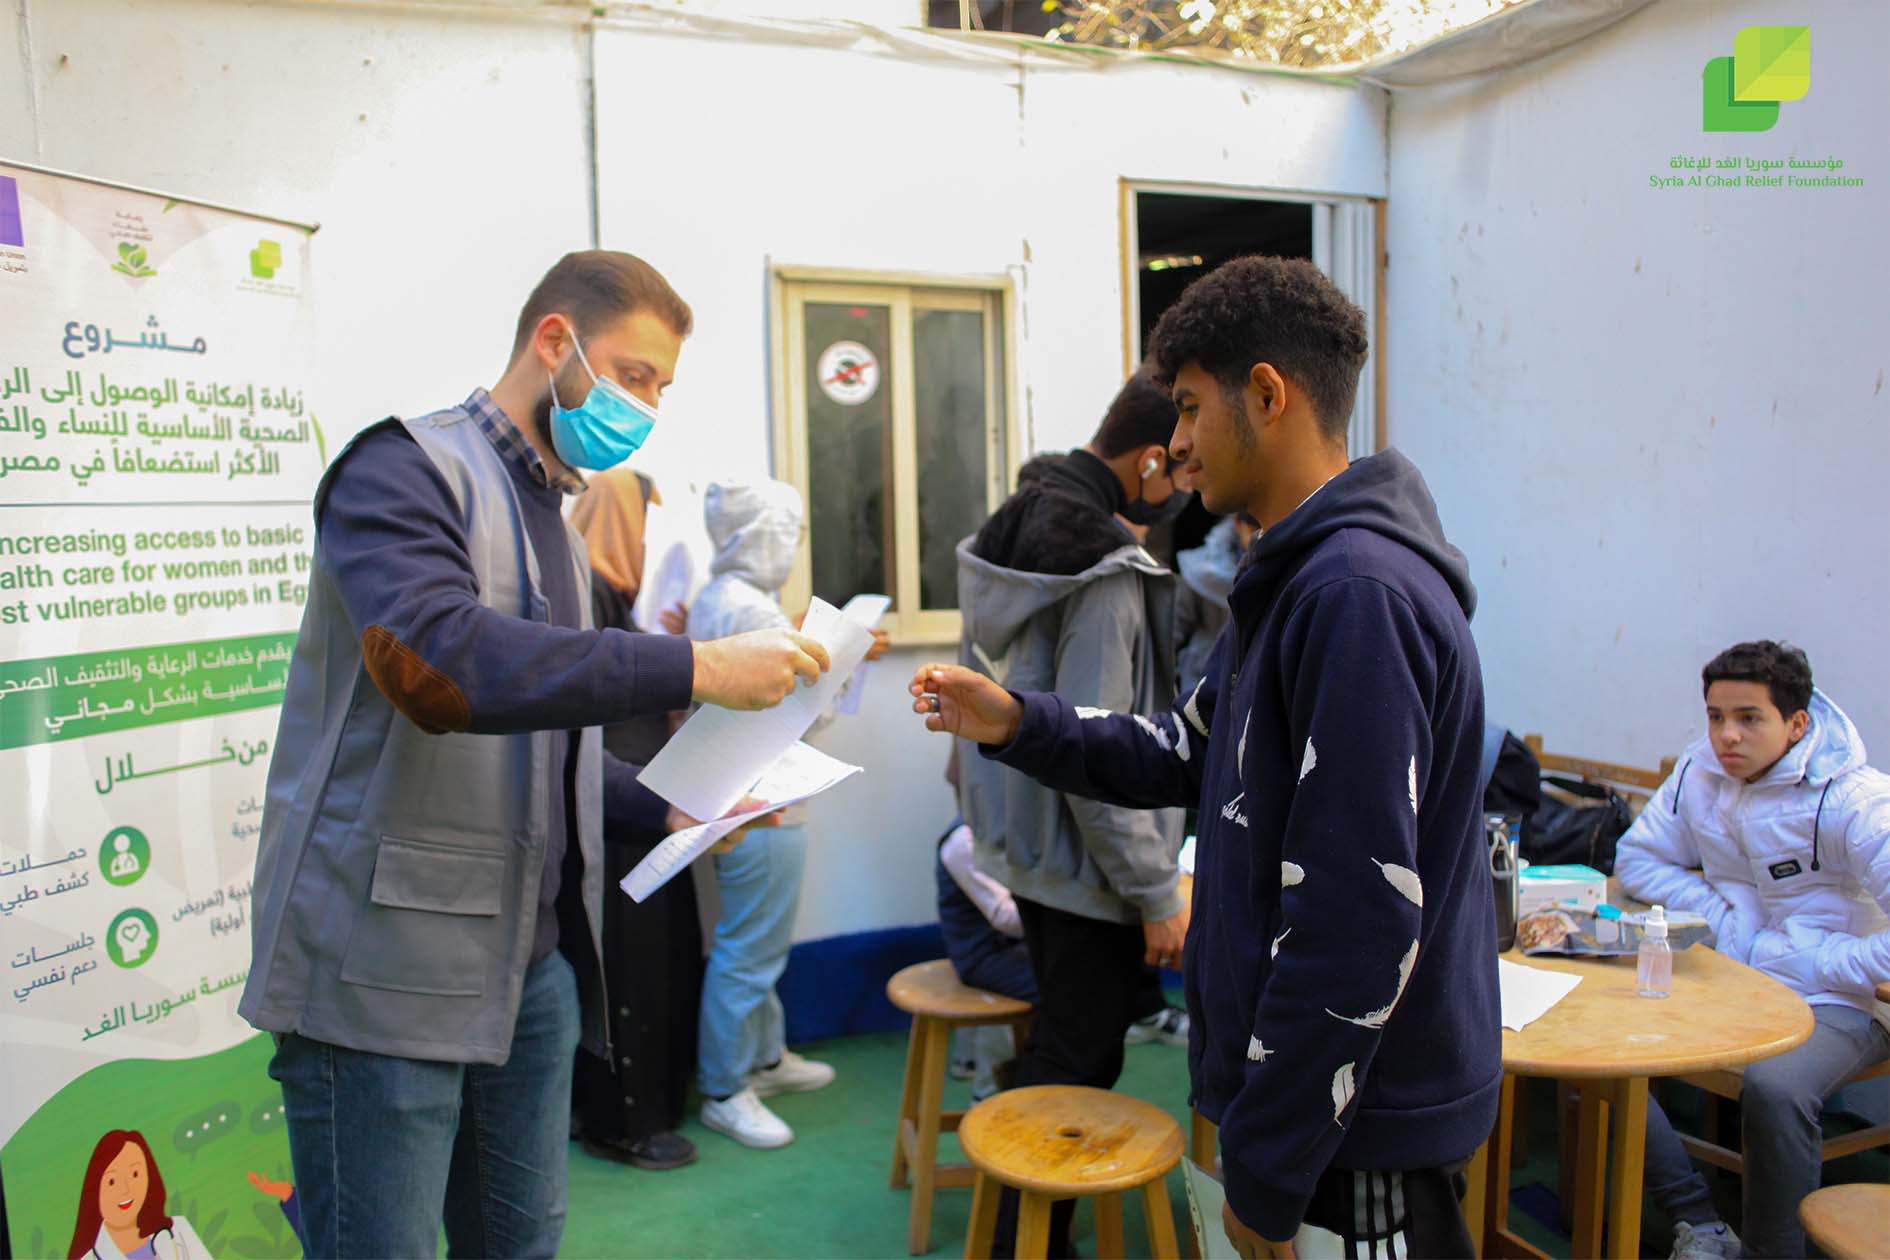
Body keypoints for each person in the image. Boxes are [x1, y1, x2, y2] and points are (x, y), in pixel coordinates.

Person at [239, 250, 831, 1258]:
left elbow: (547, 754)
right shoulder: (398, 471)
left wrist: (678, 805)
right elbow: (444, 664)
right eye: (633, 373)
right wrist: (694, 666)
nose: (645, 406)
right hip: (385, 970)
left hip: (532, 967)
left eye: (660, 387)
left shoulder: (552, 519)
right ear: (553, 341)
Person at [913, 255, 1500, 1259]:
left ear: (1266, 395)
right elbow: (1185, 750)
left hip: (1352, 1133)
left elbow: (1358, 918)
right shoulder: (1291, 582)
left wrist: (1268, 1171)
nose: (1176, 446)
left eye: (1188, 409)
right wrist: (1019, 721)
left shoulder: (1356, 595)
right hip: (1305, 1111)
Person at [951, 371, 1191, 1255]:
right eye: (1184, 460)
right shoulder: (1103, 572)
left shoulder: (1011, 535)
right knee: (1078, 1064)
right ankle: (1029, 1238)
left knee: (1062, 1039)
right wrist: (1158, 889)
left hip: (1024, 848)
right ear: (1150, 459)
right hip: (1090, 864)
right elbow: (1098, 752)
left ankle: (1026, 1228)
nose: (1189, 484)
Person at [1616, 640, 1890, 1260]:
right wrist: (1724, 913)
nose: (1726, 737)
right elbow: (1637, 858)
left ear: (1796, 724)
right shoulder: (1700, 771)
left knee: (1774, 1088)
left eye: (1748, 718)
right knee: (1609, 1045)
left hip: (1841, 999)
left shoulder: (1855, 798)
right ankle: (1702, 1222)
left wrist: (1821, 962)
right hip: (1741, 975)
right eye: (1715, 716)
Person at [686, 479, 887, 1149]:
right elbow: (808, 711)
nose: (794, 546)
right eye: (789, 533)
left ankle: (764, 1059)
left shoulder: (724, 597)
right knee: (748, 950)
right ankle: (723, 1087)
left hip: (738, 792)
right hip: (761, 799)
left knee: (753, 942)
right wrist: (846, 657)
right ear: (766, 535)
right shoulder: (751, 612)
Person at [567, 466, 704, 1172]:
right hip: (619, 813)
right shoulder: (584, 588)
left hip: (633, 804)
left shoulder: (603, 592)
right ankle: (623, 1121)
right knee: (633, 968)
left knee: (647, 961)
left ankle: (620, 1107)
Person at [68, 1130, 206, 1260]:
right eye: (112, 1182)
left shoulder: (178, 1231)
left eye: (135, 1174)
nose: (125, 1190)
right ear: (95, 1193)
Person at [1173, 511, 1258, 702]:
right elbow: (1175, 630)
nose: (1259, 536)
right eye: (1253, 529)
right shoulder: (1203, 568)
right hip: (1200, 680)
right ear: (1238, 524)